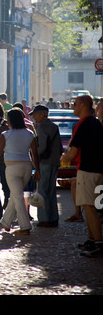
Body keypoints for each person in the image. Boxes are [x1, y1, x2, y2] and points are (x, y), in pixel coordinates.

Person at [61, 95, 103, 257]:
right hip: (96, 169)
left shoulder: (84, 124)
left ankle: (98, 243)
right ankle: (92, 240)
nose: (73, 107)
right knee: (91, 207)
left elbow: (73, 151)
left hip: (88, 169)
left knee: (89, 207)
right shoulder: (95, 124)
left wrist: (64, 160)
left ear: (83, 105)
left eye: (76, 104)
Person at [0, 108, 40, 235]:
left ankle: (25, 227)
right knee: (15, 196)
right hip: (27, 167)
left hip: (11, 168)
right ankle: (6, 222)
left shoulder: (5, 135)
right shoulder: (30, 133)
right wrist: (37, 169)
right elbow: (35, 154)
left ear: (10, 120)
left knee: (17, 196)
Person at [30, 104, 63, 228]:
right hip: (54, 162)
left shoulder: (41, 126)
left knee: (42, 190)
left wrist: (34, 154)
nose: (33, 117)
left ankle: (44, 219)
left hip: (44, 162)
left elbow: (42, 146)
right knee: (51, 190)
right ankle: (53, 218)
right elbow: (59, 147)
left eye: (35, 114)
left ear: (42, 114)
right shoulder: (54, 126)